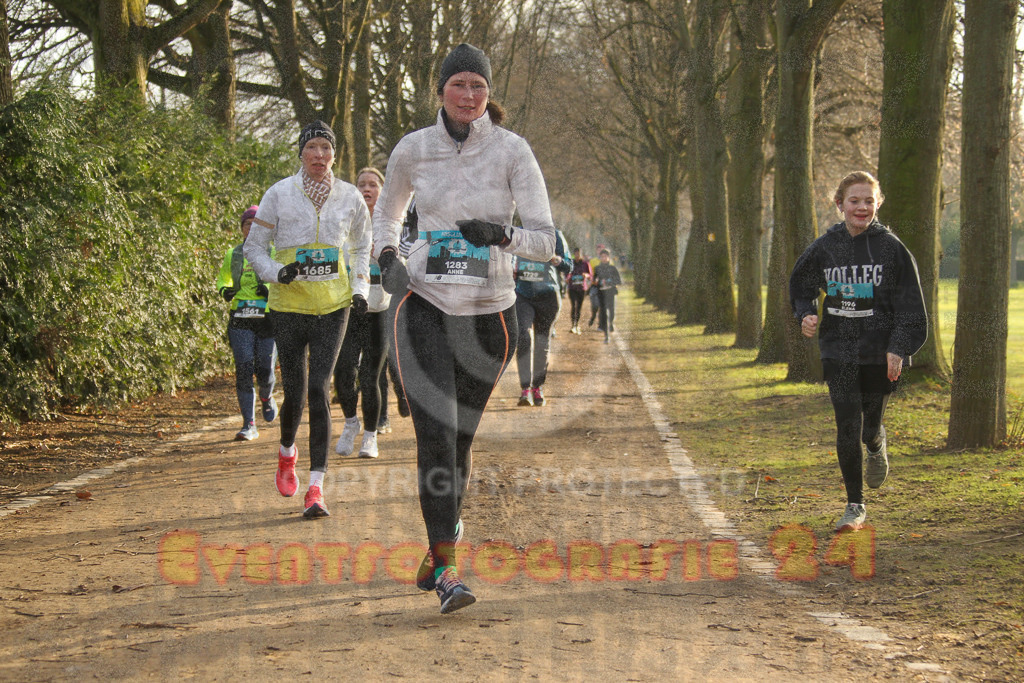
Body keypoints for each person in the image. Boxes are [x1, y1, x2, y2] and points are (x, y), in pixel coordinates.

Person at [373, 43, 555, 613]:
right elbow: (388, 212)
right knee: (435, 433)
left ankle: (438, 543)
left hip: (491, 312)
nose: (469, 96)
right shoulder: (413, 149)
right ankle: (450, 572)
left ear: (488, 92)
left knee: (461, 440)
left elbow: (546, 242)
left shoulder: (512, 151)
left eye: (479, 86)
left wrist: (501, 236)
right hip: (425, 302)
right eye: (459, 85)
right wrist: (385, 256)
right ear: (441, 90)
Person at [245, 120, 371, 519]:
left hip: (334, 306)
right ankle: (286, 453)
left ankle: (316, 487)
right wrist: (274, 273)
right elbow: (254, 248)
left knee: (319, 388)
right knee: (295, 392)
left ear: (335, 155)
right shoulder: (279, 193)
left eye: (327, 149)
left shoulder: (350, 196)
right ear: (301, 152)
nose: (320, 155)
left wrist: (360, 290)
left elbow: (363, 247)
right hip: (288, 306)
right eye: (313, 147)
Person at [790, 171, 927, 532]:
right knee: (847, 424)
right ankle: (855, 505)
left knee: (868, 427)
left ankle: (876, 442)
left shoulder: (891, 249)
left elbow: (911, 305)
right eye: (855, 200)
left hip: (880, 351)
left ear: (878, 203)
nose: (862, 207)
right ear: (840, 204)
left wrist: (899, 348)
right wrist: (805, 312)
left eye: (869, 200)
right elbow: (800, 284)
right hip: (840, 350)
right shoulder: (825, 247)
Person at [334, 167, 391, 459]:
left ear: (381, 191)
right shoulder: (346, 220)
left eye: (372, 185)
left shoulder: (391, 224)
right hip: (348, 307)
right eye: (361, 185)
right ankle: (350, 423)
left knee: (371, 377)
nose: (367, 189)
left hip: (379, 308)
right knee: (343, 371)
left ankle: (371, 436)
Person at [216, 205, 278, 441]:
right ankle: (248, 425)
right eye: (247, 224)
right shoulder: (234, 254)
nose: (251, 228)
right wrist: (225, 290)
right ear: (242, 229)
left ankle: (266, 395)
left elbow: (284, 279)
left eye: (256, 224)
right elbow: (224, 277)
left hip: (267, 318)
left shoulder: (274, 253)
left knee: (265, 369)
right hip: (240, 317)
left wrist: (269, 288)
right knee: (243, 369)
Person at [515, 230, 572, 407]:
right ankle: (525, 389)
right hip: (523, 294)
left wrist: (558, 260)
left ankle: (537, 387)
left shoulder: (555, 235)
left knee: (542, 342)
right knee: (523, 337)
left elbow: (569, 266)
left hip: (548, 296)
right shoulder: (519, 233)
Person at [592, 248, 622, 343]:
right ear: (600, 257)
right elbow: (594, 280)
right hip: (601, 293)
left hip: (611, 293)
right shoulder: (597, 268)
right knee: (604, 312)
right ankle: (606, 334)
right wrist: (595, 282)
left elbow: (618, 281)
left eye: (605, 256)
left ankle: (611, 323)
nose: (604, 258)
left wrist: (610, 282)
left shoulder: (612, 268)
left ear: (609, 257)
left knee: (611, 311)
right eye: (602, 257)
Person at [566, 247, 592, 334]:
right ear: (574, 254)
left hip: (581, 288)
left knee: (579, 307)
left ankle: (577, 324)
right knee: (574, 306)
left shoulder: (585, 264)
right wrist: (568, 277)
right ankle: (573, 325)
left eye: (579, 253)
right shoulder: (571, 263)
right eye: (576, 253)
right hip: (572, 288)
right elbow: (567, 273)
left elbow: (590, 275)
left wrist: (586, 275)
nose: (578, 255)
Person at [587, 244, 604, 328]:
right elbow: (589, 273)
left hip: (603, 287)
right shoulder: (592, 261)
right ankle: (593, 316)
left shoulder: (608, 261)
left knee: (602, 305)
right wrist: (592, 280)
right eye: (598, 249)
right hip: (594, 286)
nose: (600, 251)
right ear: (596, 251)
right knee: (595, 305)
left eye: (601, 249)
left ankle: (600, 324)